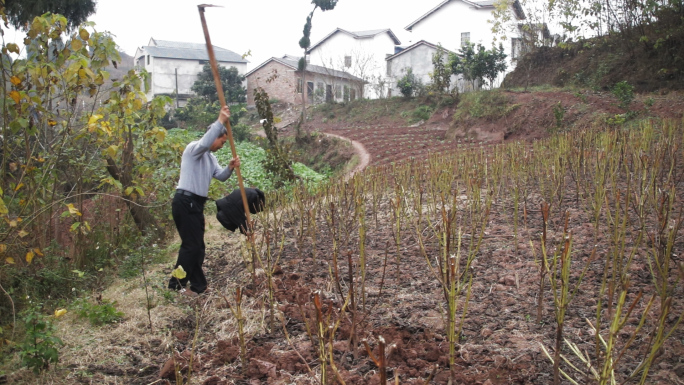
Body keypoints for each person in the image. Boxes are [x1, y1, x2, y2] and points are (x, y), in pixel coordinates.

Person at [168, 105, 239, 296]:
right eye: (222, 142)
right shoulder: (194, 149)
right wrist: (220, 121)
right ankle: (176, 285)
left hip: (196, 204)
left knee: (198, 247)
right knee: (190, 246)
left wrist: (230, 167)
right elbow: (205, 143)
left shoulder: (210, 159)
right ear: (213, 136)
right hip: (184, 202)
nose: (222, 146)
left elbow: (221, 176)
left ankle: (199, 286)